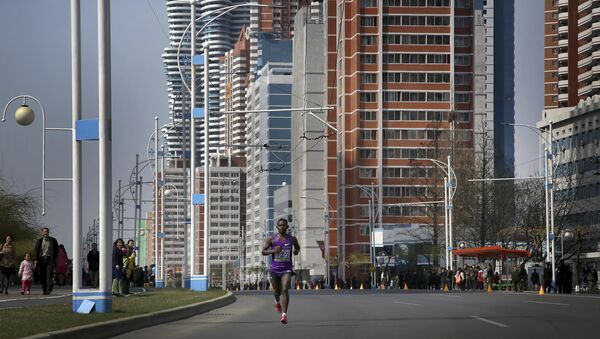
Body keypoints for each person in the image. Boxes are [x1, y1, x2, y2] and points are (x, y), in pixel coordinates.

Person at [262, 218, 300, 325]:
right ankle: (277, 301)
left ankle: (284, 315)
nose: (281, 227)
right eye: (279, 225)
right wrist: (273, 251)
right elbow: (263, 251)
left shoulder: (292, 239)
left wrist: (296, 251)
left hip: (286, 269)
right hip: (274, 269)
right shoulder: (272, 239)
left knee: (284, 289)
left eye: (284, 225)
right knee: (277, 292)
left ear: (287, 227)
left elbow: (297, 248)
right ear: (277, 227)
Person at [33, 228, 59, 295]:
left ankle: (48, 289)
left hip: (50, 259)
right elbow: (36, 251)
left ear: (48, 232)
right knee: (43, 276)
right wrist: (36, 260)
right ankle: (44, 290)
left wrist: (54, 257)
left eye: (46, 231)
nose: (45, 233)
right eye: (44, 232)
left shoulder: (53, 240)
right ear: (42, 233)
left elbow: (57, 250)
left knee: (49, 275)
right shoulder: (39, 241)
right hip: (41, 260)